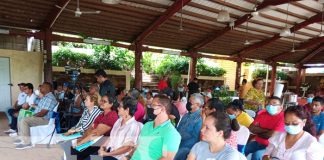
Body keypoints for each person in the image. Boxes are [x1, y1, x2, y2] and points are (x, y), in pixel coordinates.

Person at [64, 95, 119, 160]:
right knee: (70, 148)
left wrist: (80, 143)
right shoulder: (102, 114)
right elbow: (89, 129)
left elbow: (96, 133)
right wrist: (80, 140)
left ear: (111, 104)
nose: (101, 102)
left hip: (101, 143)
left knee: (74, 151)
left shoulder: (112, 115)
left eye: (104, 101)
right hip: (93, 140)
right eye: (101, 100)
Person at [130, 94, 181, 160]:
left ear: (162, 109)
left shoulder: (171, 133)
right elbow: (138, 146)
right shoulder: (147, 125)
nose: (150, 107)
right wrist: (128, 156)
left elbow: (167, 158)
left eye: (153, 105)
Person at [15, 82, 58, 149]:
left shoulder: (50, 98)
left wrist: (32, 116)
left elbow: (43, 113)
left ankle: (27, 143)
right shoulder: (45, 97)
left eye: (42, 86)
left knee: (24, 120)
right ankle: (22, 138)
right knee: (22, 116)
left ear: (47, 88)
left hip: (45, 119)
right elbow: (40, 107)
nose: (40, 88)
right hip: (41, 117)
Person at [174, 93, 203, 160]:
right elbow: (178, 129)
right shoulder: (186, 115)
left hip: (187, 147)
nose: (188, 103)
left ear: (198, 104)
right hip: (178, 143)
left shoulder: (199, 118)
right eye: (188, 101)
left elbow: (196, 139)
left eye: (190, 102)